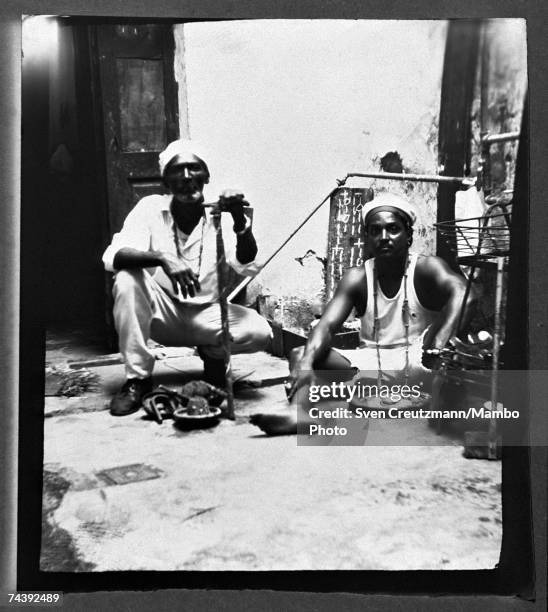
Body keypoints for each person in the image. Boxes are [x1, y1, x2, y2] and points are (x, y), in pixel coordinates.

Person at [250, 192, 475, 435]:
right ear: (366, 237)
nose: (384, 237)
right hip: (370, 362)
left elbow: (466, 294)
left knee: (446, 346)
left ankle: (390, 388)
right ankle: (301, 413)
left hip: (420, 360)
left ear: (409, 236)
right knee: (300, 353)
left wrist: (439, 348)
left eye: (393, 229)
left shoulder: (426, 267)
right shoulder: (356, 277)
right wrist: (306, 363)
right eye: (375, 231)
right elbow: (325, 327)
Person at [103, 139, 272, 416]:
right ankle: (138, 379)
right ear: (165, 181)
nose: (186, 177)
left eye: (194, 169)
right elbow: (112, 256)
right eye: (177, 171)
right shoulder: (149, 208)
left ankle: (214, 361)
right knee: (126, 278)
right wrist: (162, 258)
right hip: (162, 314)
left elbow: (247, 266)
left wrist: (239, 220)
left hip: (206, 315)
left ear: (206, 177)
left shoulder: (219, 212)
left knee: (259, 331)